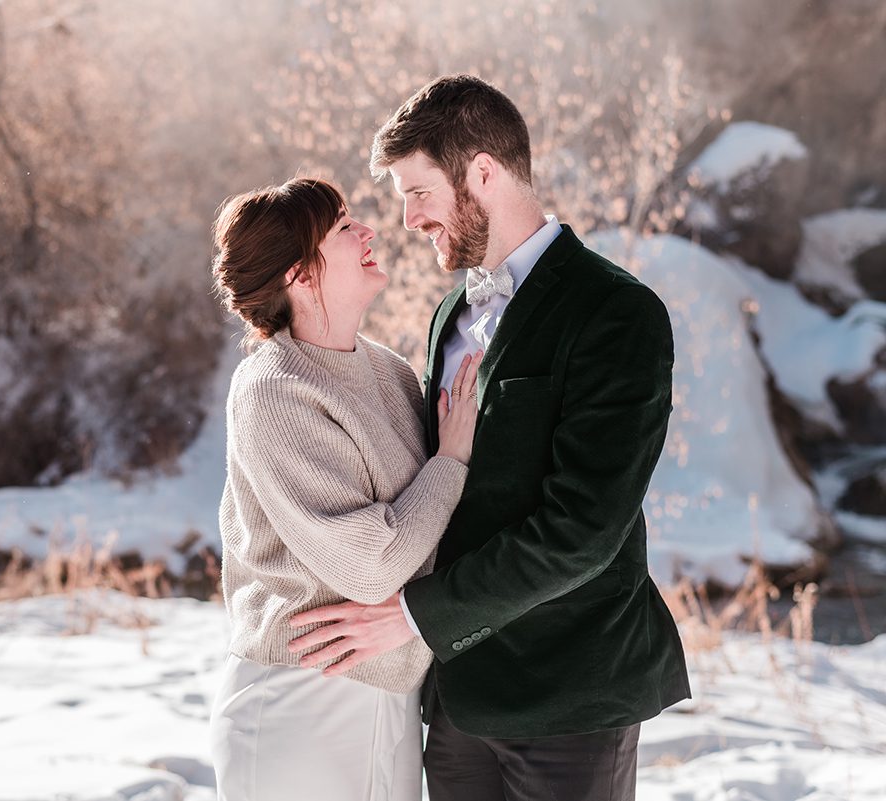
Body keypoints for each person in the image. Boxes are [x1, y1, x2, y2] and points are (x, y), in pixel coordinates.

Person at [289, 75, 691, 801]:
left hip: (570, 693)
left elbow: (583, 530)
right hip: (458, 704)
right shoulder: (452, 314)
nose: (409, 220)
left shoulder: (618, 313)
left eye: (419, 192)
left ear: (482, 172)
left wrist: (413, 615)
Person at [207, 177, 484, 801]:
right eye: (342, 228)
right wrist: (452, 460)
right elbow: (371, 564)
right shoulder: (274, 390)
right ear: (300, 276)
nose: (368, 232)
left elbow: (425, 533)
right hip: (300, 696)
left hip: (389, 692)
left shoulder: (390, 372)